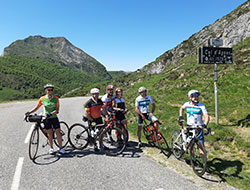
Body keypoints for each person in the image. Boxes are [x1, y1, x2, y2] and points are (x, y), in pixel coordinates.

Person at [25, 84, 65, 154]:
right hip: (46, 119)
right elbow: (37, 107)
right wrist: (29, 112)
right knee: (49, 134)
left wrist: (51, 113)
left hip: (54, 117)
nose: (50, 91)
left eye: (51, 90)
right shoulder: (42, 99)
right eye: (48, 90)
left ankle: (61, 148)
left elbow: (57, 109)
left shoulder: (56, 98)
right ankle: (51, 148)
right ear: (46, 91)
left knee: (58, 132)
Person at [178, 90, 210, 159]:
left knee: (201, 146)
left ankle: (205, 165)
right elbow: (182, 108)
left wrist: (205, 124)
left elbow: (206, 116)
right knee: (190, 145)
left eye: (197, 96)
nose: (196, 98)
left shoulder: (201, 106)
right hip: (190, 126)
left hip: (198, 128)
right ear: (190, 97)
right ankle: (192, 159)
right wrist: (180, 116)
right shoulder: (187, 104)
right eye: (194, 96)